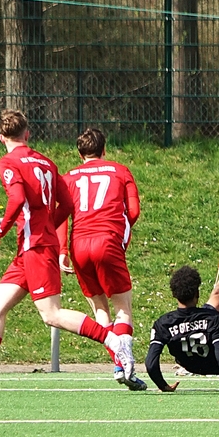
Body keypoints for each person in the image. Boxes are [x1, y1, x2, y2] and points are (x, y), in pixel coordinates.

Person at [0, 110, 135, 394]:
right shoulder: (46, 162)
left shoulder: (8, 162)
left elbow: (17, 198)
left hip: (37, 247)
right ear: (27, 133)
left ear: (1, 137)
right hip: (30, 247)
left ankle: (114, 342)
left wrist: (1, 230)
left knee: (51, 314)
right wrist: (46, 228)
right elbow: (66, 205)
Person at [57, 128, 145, 391]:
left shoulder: (69, 177)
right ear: (104, 150)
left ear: (80, 154)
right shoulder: (120, 171)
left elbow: (62, 214)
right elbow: (134, 211)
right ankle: (125, 365)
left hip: (79, 245)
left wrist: (62, 251)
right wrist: (120, 236)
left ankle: (118, 364)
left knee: (100, 310)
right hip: (107, 241)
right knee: (123, 309)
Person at [145, 220, 219, 393]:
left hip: (190, 365)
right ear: (197, 294)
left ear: (174, 294)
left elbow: (151, 363)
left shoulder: (163, 323)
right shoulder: (213, 319)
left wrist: (164, 386)